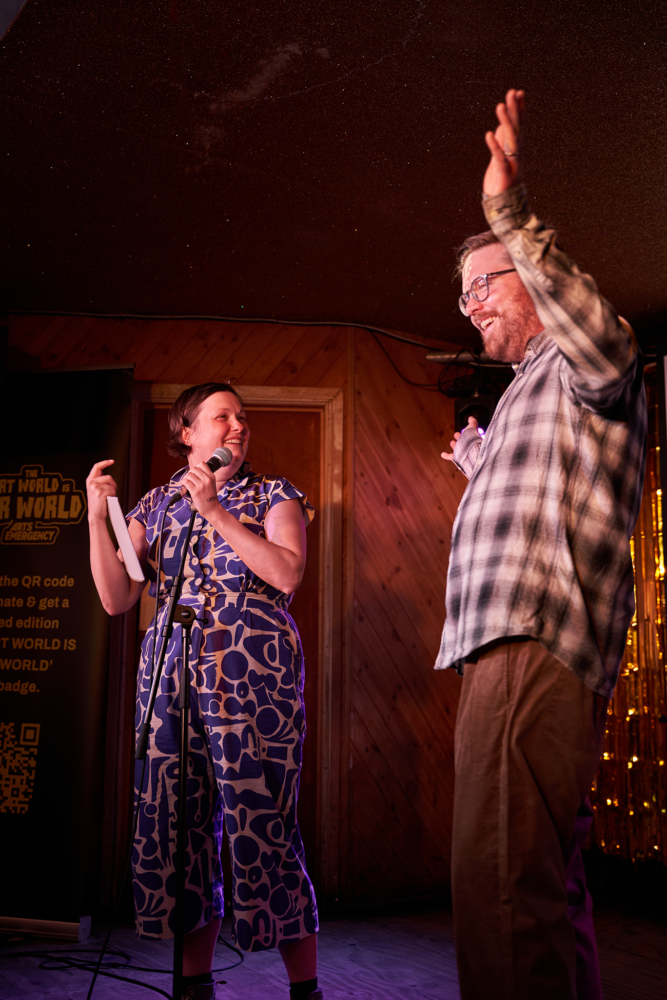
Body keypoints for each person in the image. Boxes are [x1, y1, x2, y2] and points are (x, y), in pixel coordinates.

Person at [437, 91, 646, 1000]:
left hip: (532, 637)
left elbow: (592, 341)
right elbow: (552, 487)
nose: (469, 304)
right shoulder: (526, 389)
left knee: (498, 880)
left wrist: (510, 215)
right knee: (540, 881)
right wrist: (480, 462)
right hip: (518, 641)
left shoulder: (587, 357)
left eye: (484, 283)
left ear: (531, 275)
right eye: (463, 294)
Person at [87, 383, 323, 1000]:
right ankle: (194, 986)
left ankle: (306, 990)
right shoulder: (159, 504)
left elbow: (286, 572)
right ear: (188, 431)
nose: (239, 425)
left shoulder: (274, 494)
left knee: (262, 819)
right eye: (223, 416)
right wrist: (96, 518)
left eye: (242, 417)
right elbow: (117, 596)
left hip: (254, 675)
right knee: (180, 827)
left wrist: (216, 510)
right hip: (172, 673)